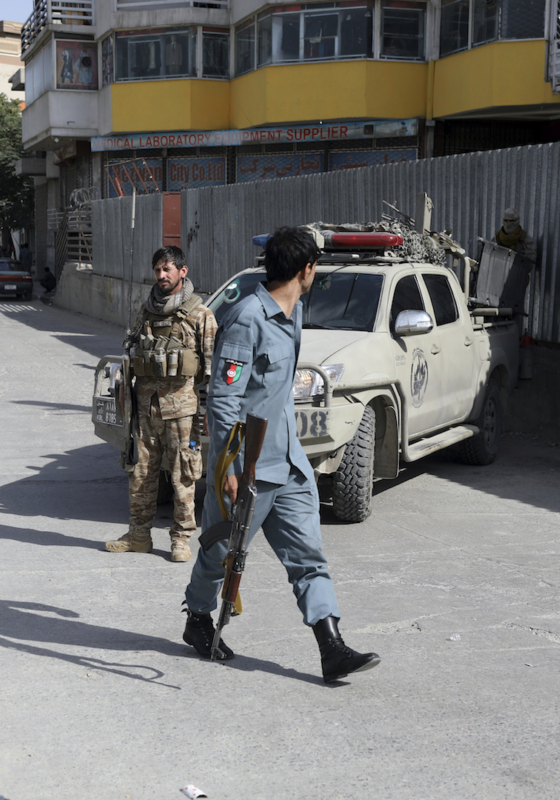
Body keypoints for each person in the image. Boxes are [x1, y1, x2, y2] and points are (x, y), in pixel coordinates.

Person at [180, 226, 381, 684]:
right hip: (245, 467)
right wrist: (225, 469)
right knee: (223, 555)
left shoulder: (294, 312)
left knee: (309, 556)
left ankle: (331, 647)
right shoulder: (248, 317)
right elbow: (224, 400)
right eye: (316, 266)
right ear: (306, 269)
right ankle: (197, 618)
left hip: (289, 464)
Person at [105, 246, 216, 562]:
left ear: (183, 271)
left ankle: (181, 540)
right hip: (146, 408)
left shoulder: (200, 314)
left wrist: (207, 411)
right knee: (140, 473)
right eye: (157, 270)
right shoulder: (147, 309)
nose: (161, 275)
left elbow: (212, 368)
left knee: (183, 474)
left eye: (167, 269)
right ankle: (138, 536)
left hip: (182, 410)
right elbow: (135, 353)